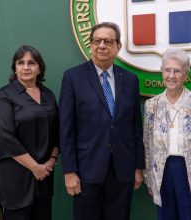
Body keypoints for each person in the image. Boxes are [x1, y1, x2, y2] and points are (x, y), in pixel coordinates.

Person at [59, 22, 145, 220]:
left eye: (108, 41)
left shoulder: (130, 80)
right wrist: (69, 171)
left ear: (118, 46)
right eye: (97, 41)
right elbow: (66, 128)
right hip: (86, 171)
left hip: (122, 170)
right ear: (91, 45)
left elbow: (135, 126)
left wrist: (138, 167)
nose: (102, 46)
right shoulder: (73, 77)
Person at [0, 45, 59, 220]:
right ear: (15, 67)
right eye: (21, 63)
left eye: (32, 63)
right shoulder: (5, 95)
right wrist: (34, 167)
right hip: (16, 178)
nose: (26, 67)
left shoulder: (49, 95)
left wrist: (51, 160)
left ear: (40, 68)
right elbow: (4, 135)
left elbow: (58, 131)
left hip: (44, 176)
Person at [143, 49, 191, 220]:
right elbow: (147, 142)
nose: (171, 75)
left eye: (177, 71)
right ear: (162, 72)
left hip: (190, 172)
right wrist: (149, 177)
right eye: (167, 70)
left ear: (185, 75)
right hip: (161, 171)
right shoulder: (151, 105)